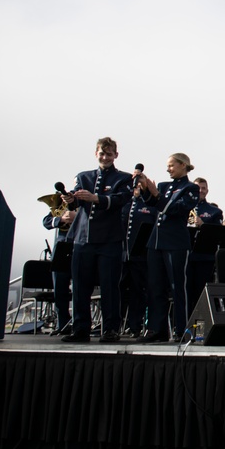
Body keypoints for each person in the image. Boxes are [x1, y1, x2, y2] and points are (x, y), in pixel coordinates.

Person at [61, 137, 133, 343]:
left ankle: (111, 329)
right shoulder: (83, 176)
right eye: (101, 153)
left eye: (109, 154)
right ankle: (80, 328)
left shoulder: (123, 178)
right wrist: (70, 199)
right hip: (83, 238)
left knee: (110, 286)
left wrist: (97, 198)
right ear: (96, 154)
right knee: (80, 286)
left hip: (109, 239)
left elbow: (121, 200)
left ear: (115, 156)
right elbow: (76, 201)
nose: (105, 157)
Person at [135, 153, 200, 342]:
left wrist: (155, 194)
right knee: (155, 287)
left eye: (171, 165)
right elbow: (152, 205)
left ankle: (182, 329)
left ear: (183, 165)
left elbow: (175, 209)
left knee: (178, 286)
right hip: (156, 241)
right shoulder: (164, 186)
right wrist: (146, 190)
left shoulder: (191, 188)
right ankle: (157, 329)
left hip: (176, 242)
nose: (168, 169)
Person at [121, 182, 156, 338]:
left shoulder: (150, 206)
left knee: (138, 292)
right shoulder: (124, 204)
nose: (136, 189)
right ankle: (114, 326)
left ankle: (135, 325)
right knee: (118, 291)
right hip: (121, 255)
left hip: (140, 257)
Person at [185, 177, 224, 316]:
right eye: (198, 188)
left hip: (204, 258)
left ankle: (201, 325)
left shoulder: (214, 211)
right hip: (185, 256)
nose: (200, 191)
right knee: (185, 293)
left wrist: (204, 225)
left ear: (207, 190)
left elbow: (219, 234)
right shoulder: (183, 207)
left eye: (203, 188)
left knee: (201, 294)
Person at [42, 198, 76, 334]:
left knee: (81, 290)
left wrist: (76, 218)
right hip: (61, 248)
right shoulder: (62, 205)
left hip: (80, 246)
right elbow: (46, 222)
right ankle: (62, 324)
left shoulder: (85, 204)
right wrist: (61, 220)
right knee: (60, 290)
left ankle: (78, 324)